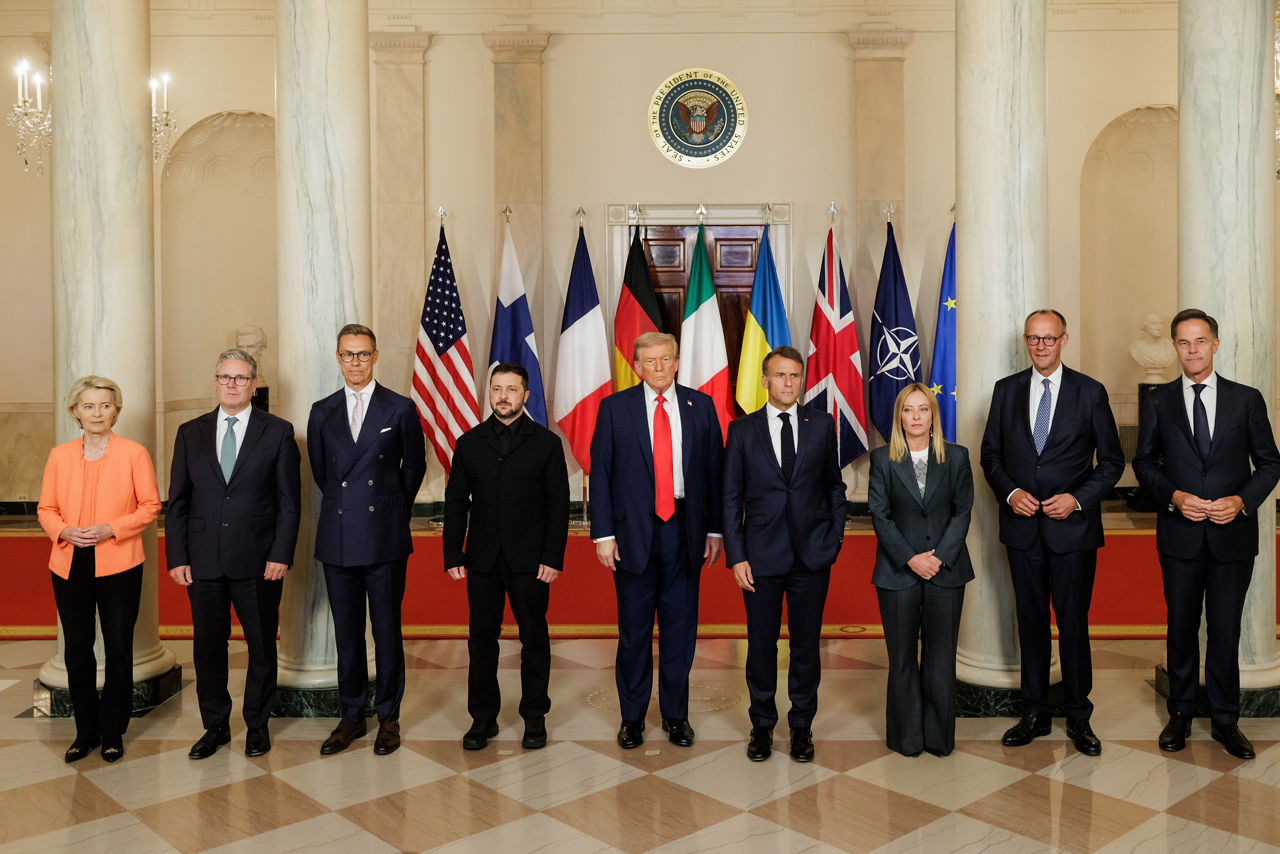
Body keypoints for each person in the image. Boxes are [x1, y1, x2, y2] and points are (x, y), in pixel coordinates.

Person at [1133, 308, 1280, 760]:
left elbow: (1270, 463)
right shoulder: (1159, 401)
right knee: (1180, 628)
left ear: (1215, 344)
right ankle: (1179, 713)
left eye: (1199, 341)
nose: (1191, 350)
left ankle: (1225, 720)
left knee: (1224, 630)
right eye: (1183, 342)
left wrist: (1241, 501)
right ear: (1175, 347)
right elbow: (1143, 464)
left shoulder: (1247, 399)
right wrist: (1174, 496)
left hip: (1231, 534)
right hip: (1179, 534)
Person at [980, 309, 1123, 756]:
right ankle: (1035, 713)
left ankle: (1080, 716)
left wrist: (1077, 498)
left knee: (1073, 624)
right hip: (1023, 529)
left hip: (1073, 531)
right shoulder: (1006, 391)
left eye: (1049, 338)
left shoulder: (1090, 392)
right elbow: (991, 456)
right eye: (1033, 339)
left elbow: (1113, 463)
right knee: (1032, 623)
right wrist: (1010, 493)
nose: (1041, 346)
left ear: (1064, 340)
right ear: (1026, 341)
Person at [590, 331, 724, 750]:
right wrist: (603, 534)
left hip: (684, 530)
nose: (660, 367)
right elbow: (602, 473)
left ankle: (675, 715)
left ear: (678, 361)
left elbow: (715, 475)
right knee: (633, 632)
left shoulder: (701, 407)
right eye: (650, 361)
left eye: (666, 359)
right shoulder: (614, 408)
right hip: (632, 534)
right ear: (637, 366)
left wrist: (715, 530)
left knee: (680, 632)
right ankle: (632, 718)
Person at [166, 348, 301, 760]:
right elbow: (178, 501)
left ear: (253, 384)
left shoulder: (277, 431)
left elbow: (288, 502)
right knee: (208, 647)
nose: (232, 385)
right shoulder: (190, 432)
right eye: (225, 377)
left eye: (240, 379)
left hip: (259, 561)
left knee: (261, 645)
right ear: (216, 381)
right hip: (203, 561)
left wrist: (281, 553)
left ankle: (257, 725)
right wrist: (176, 556)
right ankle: (216, 726)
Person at [308, 323, 427, 756]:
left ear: (375, 357)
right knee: (347, 634)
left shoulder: (399, 408)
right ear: (337, 358)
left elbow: (412, 469)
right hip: (339, 536)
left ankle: (389, 718)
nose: (355, 362)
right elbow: (324, 475)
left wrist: (389, 509)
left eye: (362, 354)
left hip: (384, 538)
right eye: (347, 355)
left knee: (387, 630)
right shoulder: (322, 411)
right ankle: (352, 717)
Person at [723, 346, 845, 762]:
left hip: (812, 557)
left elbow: (834, 488)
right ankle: (761, 726)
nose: (788, 383)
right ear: (764, 381)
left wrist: (835, 540)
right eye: (780, 376)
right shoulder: (742, 431)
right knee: (761, 646)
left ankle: (801, 727)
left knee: (806, 646)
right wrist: (736, 556)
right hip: (759, 558)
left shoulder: (822, 424)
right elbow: (730, 498)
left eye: (795, 376)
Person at [444, 363, 569, 751]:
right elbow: (454, 503)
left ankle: (535, 717)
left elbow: (558, 505)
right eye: (497, 388)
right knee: (481, 639)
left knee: (534, 639)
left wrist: (553, 556)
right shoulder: (468, 442)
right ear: (489, 393)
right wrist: (452, 552)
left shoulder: (546, 443)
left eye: (512, 389)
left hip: (531, 561)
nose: (503, 395)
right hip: (481, 559)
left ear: (525, 395)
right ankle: (482, 718)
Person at [37, 376, 161, 763]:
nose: (97, 413)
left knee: (119, 649)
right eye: (88, 406)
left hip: (120, 561)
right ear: (75, 411)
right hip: (69, 560)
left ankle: (112, 731)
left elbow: (151, 505)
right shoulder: (59, 455)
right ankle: (84, 731)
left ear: (116, 411)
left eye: (105, 405)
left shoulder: (133, 453)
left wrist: (113, 528)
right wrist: (64, 531)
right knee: (77, 650)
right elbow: (46, 509)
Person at [868, 383, 973, 757]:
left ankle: (938, 738)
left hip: (948, 570)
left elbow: (963, 512)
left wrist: (939, 556)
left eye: (923, 410)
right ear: (900, 417)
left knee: (940, 658)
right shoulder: (882, 460)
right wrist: (912, 558)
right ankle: (906, 738)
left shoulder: (957, 457)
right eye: (908, 410)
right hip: (898, 572)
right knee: (902, 659)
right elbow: (879, 516)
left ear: (933, 415)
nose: (916, 417)